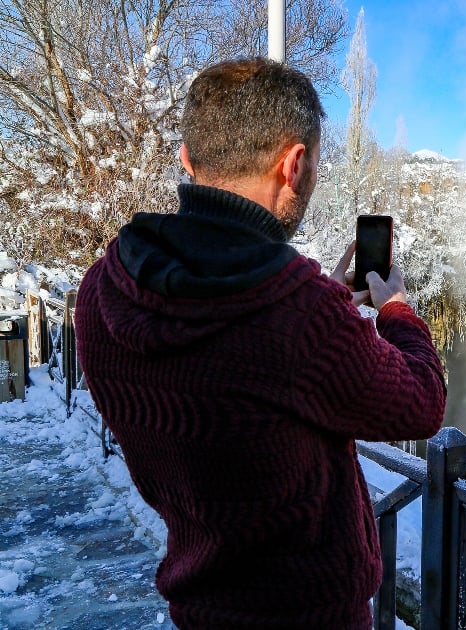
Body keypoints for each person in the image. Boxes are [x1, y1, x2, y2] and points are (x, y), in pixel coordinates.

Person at [74, 57, 446, 629]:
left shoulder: (104, 288)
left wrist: (331, 309)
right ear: (294, 164)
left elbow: (241, 367)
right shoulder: (297, 313)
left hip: (199, 606)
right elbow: (421, 402)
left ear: (187, 159)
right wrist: (394, 306)